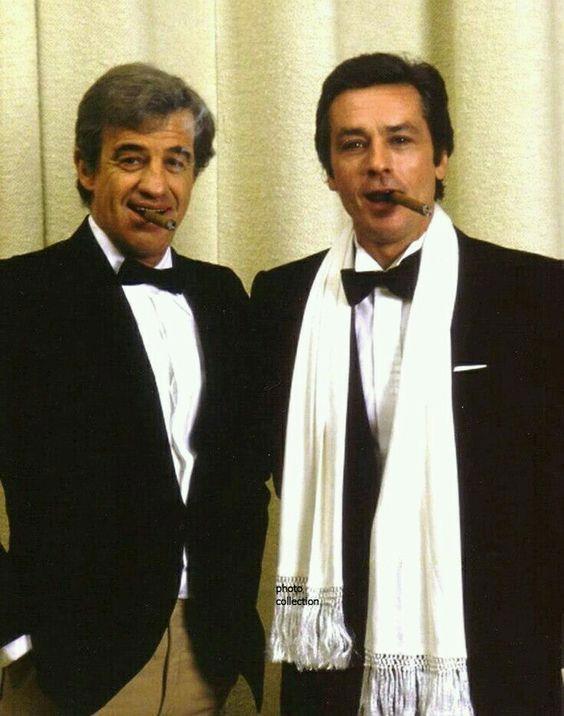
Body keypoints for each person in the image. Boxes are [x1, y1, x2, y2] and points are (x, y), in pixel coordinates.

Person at [251, 53, 562, 715]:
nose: (378, 164)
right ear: (329, 171)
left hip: (498, 660)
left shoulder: (537, 294)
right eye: (353, 145)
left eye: (401, 140)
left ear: (441, 158)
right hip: (330, 662)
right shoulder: (279, 300)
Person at [0, 63, 268, 715]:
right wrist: (17, 639)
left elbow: (246, 473)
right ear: (85, 168)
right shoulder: (19, 297)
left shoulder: (224, 295)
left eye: (176, 161)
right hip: (71, 667)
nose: (156, 184)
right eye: (131, 158)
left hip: (210, 656)